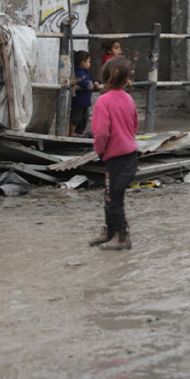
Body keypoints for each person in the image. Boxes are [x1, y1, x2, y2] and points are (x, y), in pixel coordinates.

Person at [89, 57, 139, 250]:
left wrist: (100, 151)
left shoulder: (103, 102)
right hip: (129, 155)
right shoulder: (128, 99)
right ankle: (110, 232)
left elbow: (101, 133)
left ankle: (122, 236)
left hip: (115, 157)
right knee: (111, 196)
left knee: (113, 199)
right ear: (126, 79)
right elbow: (134, 125)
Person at [69, 50, 101, 137]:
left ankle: (79, 132)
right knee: (76, 117)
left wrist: (96, 82)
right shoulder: (78, 72)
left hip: (84, 102)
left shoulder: (85, 73)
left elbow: (91, 78)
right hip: (79, 101)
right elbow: (80, 80)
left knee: (83, 118)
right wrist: (88, 84)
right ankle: (71, 131)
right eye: (88, 61)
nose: (89, 64)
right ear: (82, 62)